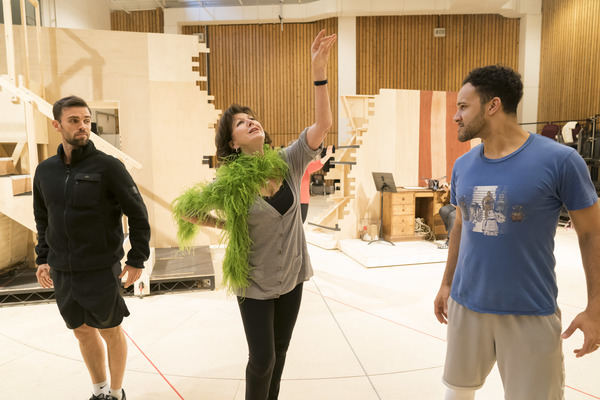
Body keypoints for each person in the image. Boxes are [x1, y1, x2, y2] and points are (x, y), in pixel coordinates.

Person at [172, 30, 336, 400]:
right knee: (261, 360)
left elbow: (323, 125)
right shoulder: (230, 184)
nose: (250, 122)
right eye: (241, 123)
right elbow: (188, 210)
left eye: (252, 118)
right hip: (255, 282)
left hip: (292, 275)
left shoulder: (289, 161)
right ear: (233, 143)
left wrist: (318, 71)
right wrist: (226, 224)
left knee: (279, 355)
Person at [433, 65, 600, 400]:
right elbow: (462, 225)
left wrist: (596, 306)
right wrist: (447, 282)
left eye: (463, 107)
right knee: (456, 393)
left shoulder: (561, 161)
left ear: (492, 106)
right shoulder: (463, 165)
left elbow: (592, 235)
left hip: (529, 310)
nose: (456, 116)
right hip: (466, 305)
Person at [33, 96, 151, 400]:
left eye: (86, 120)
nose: (83, 126)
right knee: (81, 331)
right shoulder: (45, 171)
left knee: (110, 330)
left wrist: (137, 258)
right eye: (74, 121)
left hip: (101, 268)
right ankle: (99, 391)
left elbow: (137, 213)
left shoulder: (109, 167)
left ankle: (116, 392)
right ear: (57, 125)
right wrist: (43, 258)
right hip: (63, 271)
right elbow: (42, 217)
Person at [300, 144, 333, 222]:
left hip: (303, 200)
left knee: (301, 222)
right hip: (291, 199)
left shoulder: (305, 166)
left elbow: (319, 163)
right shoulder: (287, 166)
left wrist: (328, 156)